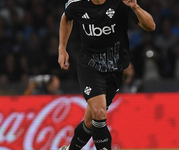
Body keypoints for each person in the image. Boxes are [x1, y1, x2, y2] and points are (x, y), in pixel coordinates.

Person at [58, 0, 155, 150]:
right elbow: (66, 17)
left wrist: (135, 7)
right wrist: (62, 48)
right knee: (99, 111)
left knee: (90, 123)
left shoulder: (121, 3)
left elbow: (150, 26)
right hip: (89, 66)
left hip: (114, 69)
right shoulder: (77, 3)